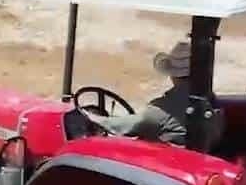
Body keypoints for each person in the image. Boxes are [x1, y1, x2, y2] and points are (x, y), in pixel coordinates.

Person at [92, 41, 225, 150]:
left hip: (172, 165)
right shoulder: (210, 101)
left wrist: (94, 119)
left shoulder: (162, 110)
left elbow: (132, 124)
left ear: (173, 75)